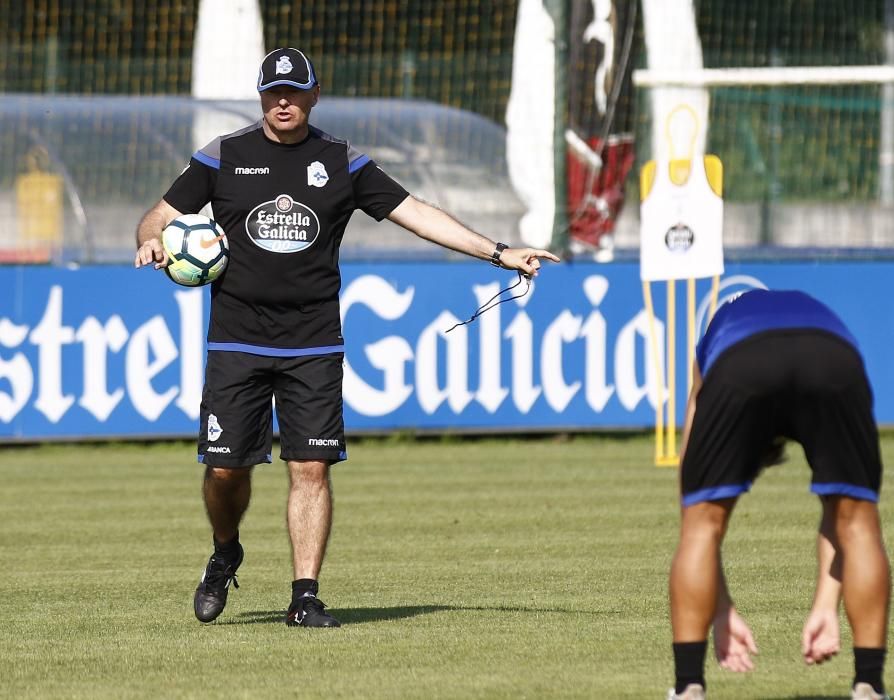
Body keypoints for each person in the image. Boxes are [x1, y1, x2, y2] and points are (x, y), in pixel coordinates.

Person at [134, 47, 560, 628]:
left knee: (311, 468)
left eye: (294, 91)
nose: (283, 101)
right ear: (261, 97)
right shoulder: (223, 156)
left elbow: (417, 212)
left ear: (313, 95)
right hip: (236, 342)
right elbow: (157, 215)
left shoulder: (341, 161)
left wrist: (500, 252)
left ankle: (305, 595)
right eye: (273, 92)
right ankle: (226, 547)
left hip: (313, 343)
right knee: (226, 471)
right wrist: (152, 239)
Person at [666, 289, 890, 700]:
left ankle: (688, 687)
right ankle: (870, 685)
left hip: (742, 361)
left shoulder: (711, 342)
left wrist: (720, 611)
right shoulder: (816, 310)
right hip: (833, 357)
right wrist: (826, 604)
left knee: (702, 525)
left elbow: (690, 499)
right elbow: (835, 517)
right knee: (857, 522)